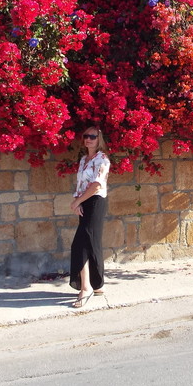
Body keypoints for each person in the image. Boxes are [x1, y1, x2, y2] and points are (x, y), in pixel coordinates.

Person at [68, 126, 110, 308]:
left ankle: (86, 288)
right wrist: (77, 201)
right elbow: (81, 184)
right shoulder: (84, 159)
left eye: (93, 136)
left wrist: (78, 202)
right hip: (84, 202)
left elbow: (96, 186)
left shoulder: (103, 159)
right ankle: (97, 283)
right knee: (91, 242)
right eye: (86, 136)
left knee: (80, 244)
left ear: (99, 138)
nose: (88, 139)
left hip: (95, 203)